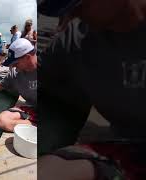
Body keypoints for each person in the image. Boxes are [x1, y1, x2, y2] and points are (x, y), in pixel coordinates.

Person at [38, 0, 146, 179]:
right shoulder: (75, 38)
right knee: (49, 172)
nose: (70, 17)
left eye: (80, 6)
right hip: (129, 148)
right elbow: (37, 75)